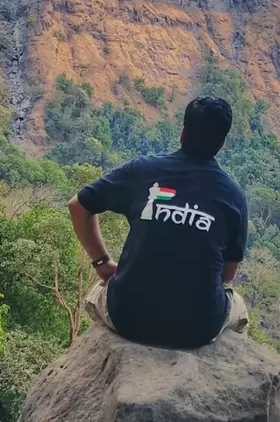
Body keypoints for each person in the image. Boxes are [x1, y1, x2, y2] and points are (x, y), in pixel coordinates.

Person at [68, 95, 250, 349]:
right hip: (196, 331)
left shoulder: (142, 171)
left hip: (127, 318)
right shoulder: (234, 195)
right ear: (222, 142)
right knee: (239, 308)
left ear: (183, 133)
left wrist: (102, 263)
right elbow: (227, 276)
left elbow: (77, 206)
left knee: (96, 292)